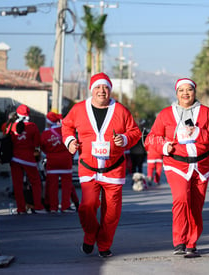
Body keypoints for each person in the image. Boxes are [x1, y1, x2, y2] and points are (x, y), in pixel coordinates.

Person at [62, 72, 141, 258]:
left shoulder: (121, 110)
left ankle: (104, 244)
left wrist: (124, 138)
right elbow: (66, 126)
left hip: (114, 169)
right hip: (88, 168)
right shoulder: (79, 109)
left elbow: (135, 132)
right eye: (97, 87)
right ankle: (90, 235)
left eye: (105, 87)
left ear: (110, 90)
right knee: (87, 206)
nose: (102, 91)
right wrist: (70, 141)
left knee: (111, 213)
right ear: (91, 90)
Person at [145, 78, 209, 258]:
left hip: (201, 165)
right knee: (181, 199)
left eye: (189, 90)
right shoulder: (165, 114)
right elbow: (151, 139)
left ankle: (191, 243)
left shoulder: (206, 112)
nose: (185, 93)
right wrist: (165, 146)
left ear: (195, 92)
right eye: (181, 90)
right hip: (176, 163)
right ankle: (179, 240)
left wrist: (199, 133)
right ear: (176, 93)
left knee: (196, 205)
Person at [9, 104, 47, 214]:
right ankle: (38, 206)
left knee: (17, 184)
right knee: (35, 182)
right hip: (29, 159)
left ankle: (20, 208)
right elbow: (37, 144)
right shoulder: (33, 126)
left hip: (15, 159)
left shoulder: (10, 126)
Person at [40, 111, 79, 213]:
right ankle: (65, 206)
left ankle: (53, 207)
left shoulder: (45, 133)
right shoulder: (65, 131)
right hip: (66, 160)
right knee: (66, 184)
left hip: (52, 161)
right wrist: (70, 156)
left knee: (53, 185)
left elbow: (42, 147)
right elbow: (73, 144)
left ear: (48, 122)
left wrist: (49, 153)